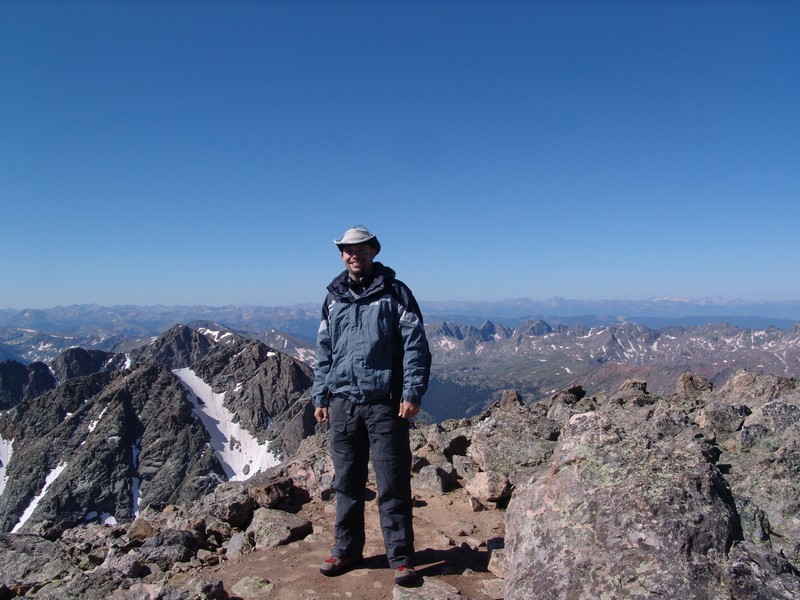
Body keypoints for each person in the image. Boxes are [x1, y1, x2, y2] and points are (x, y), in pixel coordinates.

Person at [312, 225, 431, 587]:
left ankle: (401, 559)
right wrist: (320, 394)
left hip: (385, 404)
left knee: (392, 483)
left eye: (361, 249)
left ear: (373, 252)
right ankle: (346, 551)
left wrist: (412, 393)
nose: (354, 255)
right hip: (343, 403)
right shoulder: (333, 297)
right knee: (346, 483)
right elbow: (324, 350)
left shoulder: (396, 293)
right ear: (342, 255)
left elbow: (416, 346)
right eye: (348, 250)